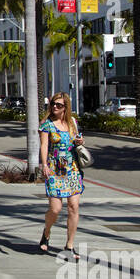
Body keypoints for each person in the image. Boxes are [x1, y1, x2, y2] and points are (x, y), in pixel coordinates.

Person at [38, 91, 86, 260]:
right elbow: (44, 145)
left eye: (59, 105)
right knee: (55, 209)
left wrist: (80, 141)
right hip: (54, 170)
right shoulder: (46, 124)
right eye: (53, 104)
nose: (55, 107)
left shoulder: (72, 122)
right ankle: (47, 232)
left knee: (73, 207)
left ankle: (69, 246)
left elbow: (77, 140)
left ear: (66, 107)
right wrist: (44, 165)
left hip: (72, 170)